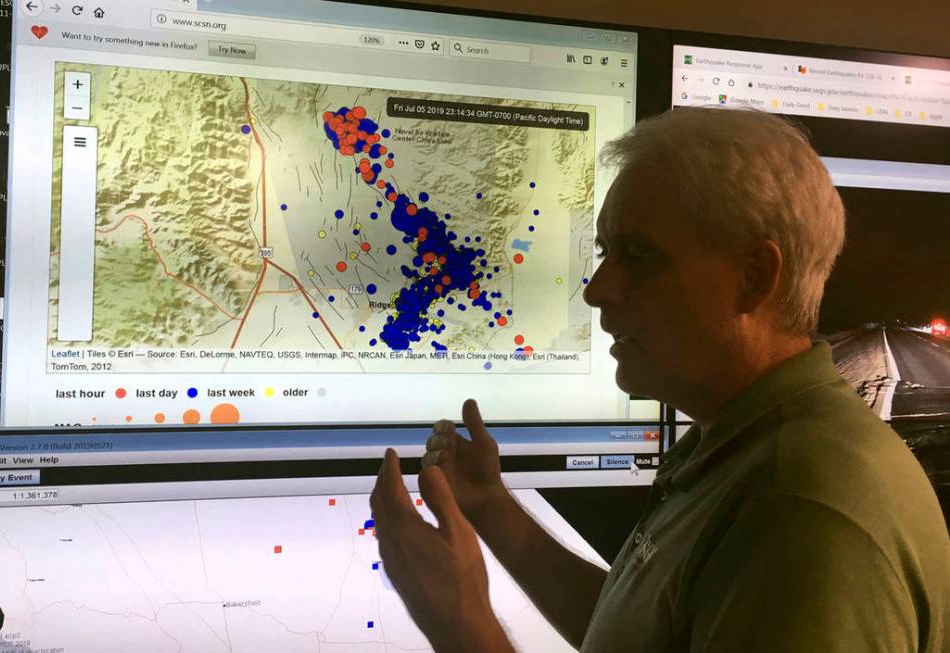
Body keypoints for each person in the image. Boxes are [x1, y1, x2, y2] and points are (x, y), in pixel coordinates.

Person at [370, 107, 950, 652]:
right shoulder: (737, 440)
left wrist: (462, 623)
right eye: (605, 251)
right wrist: (492, 507)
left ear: (754, 278)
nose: (597, 289)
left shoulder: (804, 515)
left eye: (637, 256)